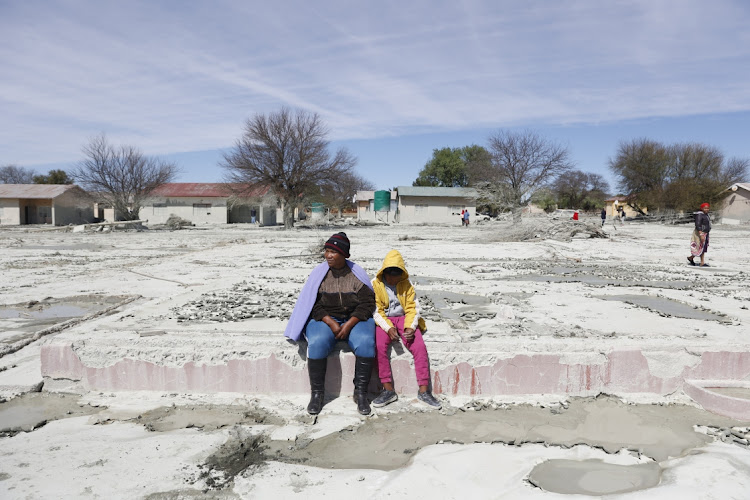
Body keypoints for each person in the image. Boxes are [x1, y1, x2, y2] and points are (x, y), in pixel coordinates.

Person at [284, 232, 377, 415]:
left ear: (344, 254)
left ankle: (360, 393)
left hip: (355, 318)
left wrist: (349, 323)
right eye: (326, 251)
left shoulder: (356, 274)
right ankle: (317, 395)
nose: (328, 255)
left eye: (333, 252)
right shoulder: (320, 274)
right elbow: (312, 303)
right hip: (325, 318)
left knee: (366, 342)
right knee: (317, 342)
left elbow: (367, 303)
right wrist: (331, 322)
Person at [371, 249, 441, 409]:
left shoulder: (407, 284)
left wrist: (410, 326)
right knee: (379, 346)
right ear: (385, 273)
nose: (393, 280)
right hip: (385, 320)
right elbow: (376, 311)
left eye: (397, 276)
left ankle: (424, 391)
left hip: (404, 318)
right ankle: (388, 389)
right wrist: (388, 328)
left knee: (419, 347)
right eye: (390, 276)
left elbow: (412, 308)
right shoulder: (375, 284)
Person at [688, 202, 712, 267]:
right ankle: (702, 262)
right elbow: (698, 224)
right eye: (705, 208)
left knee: (702, 247)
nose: (707, 209)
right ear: (702, 208)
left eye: (708, 208)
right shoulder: (700, 215)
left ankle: (691, 258)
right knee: (700, 247)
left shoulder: (706, 215)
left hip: (705, 233)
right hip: (700, 233)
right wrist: (701, 234)